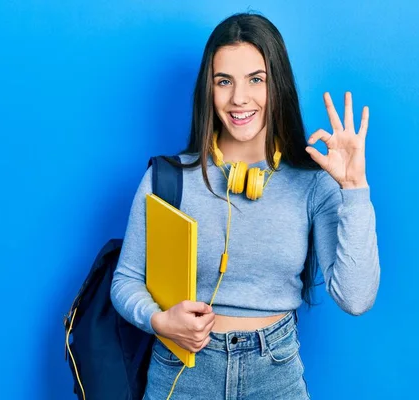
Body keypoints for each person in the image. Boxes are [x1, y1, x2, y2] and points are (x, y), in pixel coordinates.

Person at [110, 11, 380, 400]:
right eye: (224, 82)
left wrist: (354, 188)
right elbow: (126, 280)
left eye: (256, 79)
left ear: (278, 86)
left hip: (275, 372)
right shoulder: (167, 178)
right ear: (209, 89)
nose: (239, 98)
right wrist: (159, 320)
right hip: (182, 371)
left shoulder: (314, 183)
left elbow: (355, 299)